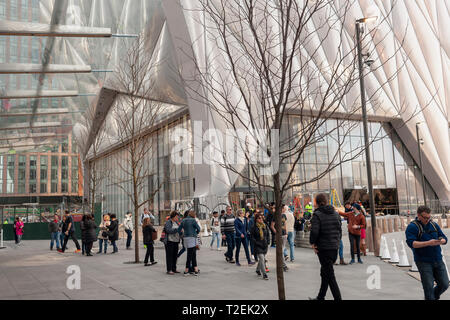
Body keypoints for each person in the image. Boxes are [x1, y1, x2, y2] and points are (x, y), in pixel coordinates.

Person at [406, 206, 449, 300]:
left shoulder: (433, 224)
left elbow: (444, 238)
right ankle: (430, 297)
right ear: (418, 215)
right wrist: (429, 243)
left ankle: (432, 297)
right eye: (425, 217)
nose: (427, 220)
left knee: (445, 284)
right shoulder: (412, 227)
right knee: (428, 287)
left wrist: (442, 240)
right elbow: (411, 243)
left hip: (438, 259)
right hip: (423, 261)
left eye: (429, 217)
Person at [309, 193, 342, 300]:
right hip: (334, 247)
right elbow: (339, 231)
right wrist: (336, 242)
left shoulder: (317, 214)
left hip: (323, 248)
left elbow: (314, 231)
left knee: (330, 275)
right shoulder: (336, 214)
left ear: (317, 203)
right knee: (325, 272)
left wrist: (312, 243)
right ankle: (320, 297)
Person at [178, 210, 201, 276]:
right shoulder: (193, 220)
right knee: (190, 255)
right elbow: (198, 228)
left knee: (192, 253)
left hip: (186, 238)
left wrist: (182, 235)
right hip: (192, 238)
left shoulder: (183, 220)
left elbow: (179, 230)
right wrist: (196, 233)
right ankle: (187, 270)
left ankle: (195, 269)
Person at [250, 213, 270, 280]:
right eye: (259, 218)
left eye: (261, 217)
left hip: (265, 245)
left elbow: (268, 234)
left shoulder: (265, 226)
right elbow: (252, 237)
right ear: (256, 219)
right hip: (258, 245)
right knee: (262, 259)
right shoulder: (254, 227)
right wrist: (256, 242)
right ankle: (264, 274)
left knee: (262, 259)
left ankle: (258, 270)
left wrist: (268, 242)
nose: (261, 219)